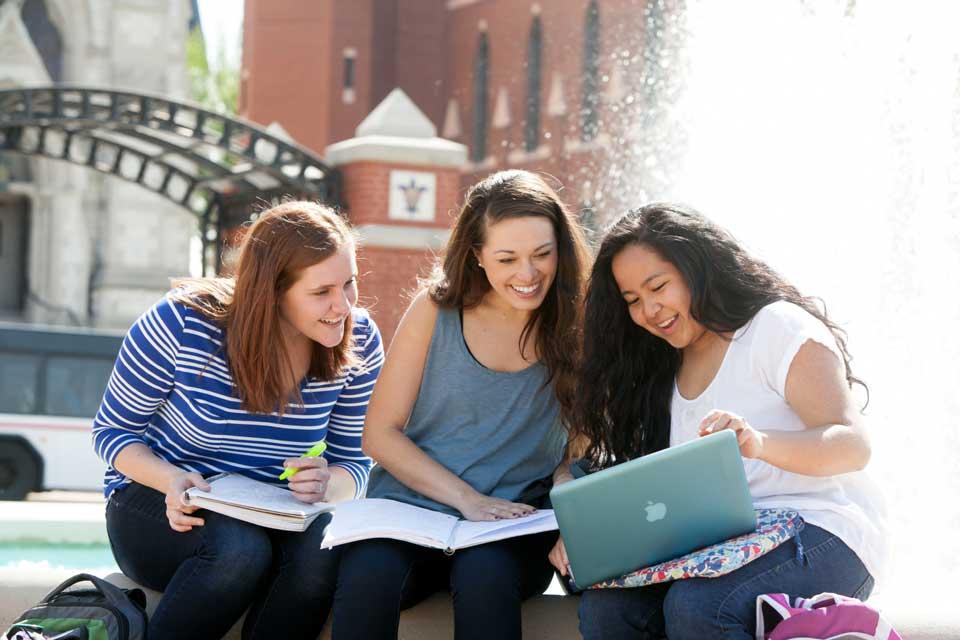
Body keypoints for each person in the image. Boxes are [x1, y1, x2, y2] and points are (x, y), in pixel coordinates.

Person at [557, 204, 887, 640]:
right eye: (633, 300)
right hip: (727, 542)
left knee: (703, 607)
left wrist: (758, 442)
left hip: (824, 530)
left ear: (697, 268)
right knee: (609, 610)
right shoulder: (661, 367)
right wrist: (587, 531)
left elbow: (852, 446)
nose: (650, 310)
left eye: (658, 286)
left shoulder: (776, 328)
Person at [91, 201, 384, 640]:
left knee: (325, 545)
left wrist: (329, 484)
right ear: (272, 291)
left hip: (275, 517)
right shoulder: (182, 323)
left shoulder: (359, 339)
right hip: (161, 507)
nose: (342, 306)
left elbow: (355, 463)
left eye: (349, 284)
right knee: (237, 549)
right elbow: (112, 433)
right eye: (321, 292)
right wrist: (170, 478)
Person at [330, 170, 591, 640]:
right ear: (477, 256)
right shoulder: (435, 309)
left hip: (510, 529)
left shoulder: (580, 326)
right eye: (507, 258)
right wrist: (467, 500)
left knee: (484, 577)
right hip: (411, 514)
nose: (528, 274)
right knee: (368, 575)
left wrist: (565, 491)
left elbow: (578, 453)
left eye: (542, 255)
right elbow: (380, 433)